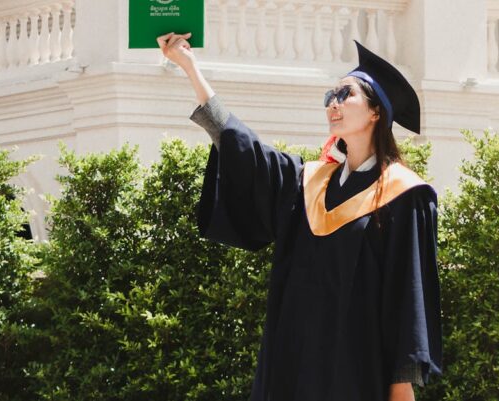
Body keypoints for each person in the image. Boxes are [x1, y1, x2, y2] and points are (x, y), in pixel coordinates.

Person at [157, 32, 442, 401]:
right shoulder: (308, 182)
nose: (333, 104)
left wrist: (400, 385)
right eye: (330, 97)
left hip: (356, 371)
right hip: (292, 363)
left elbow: (407, 296)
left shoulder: (404, 195)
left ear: (376, 111)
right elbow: (246, 151)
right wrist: (189, 67)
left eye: (346, 94)